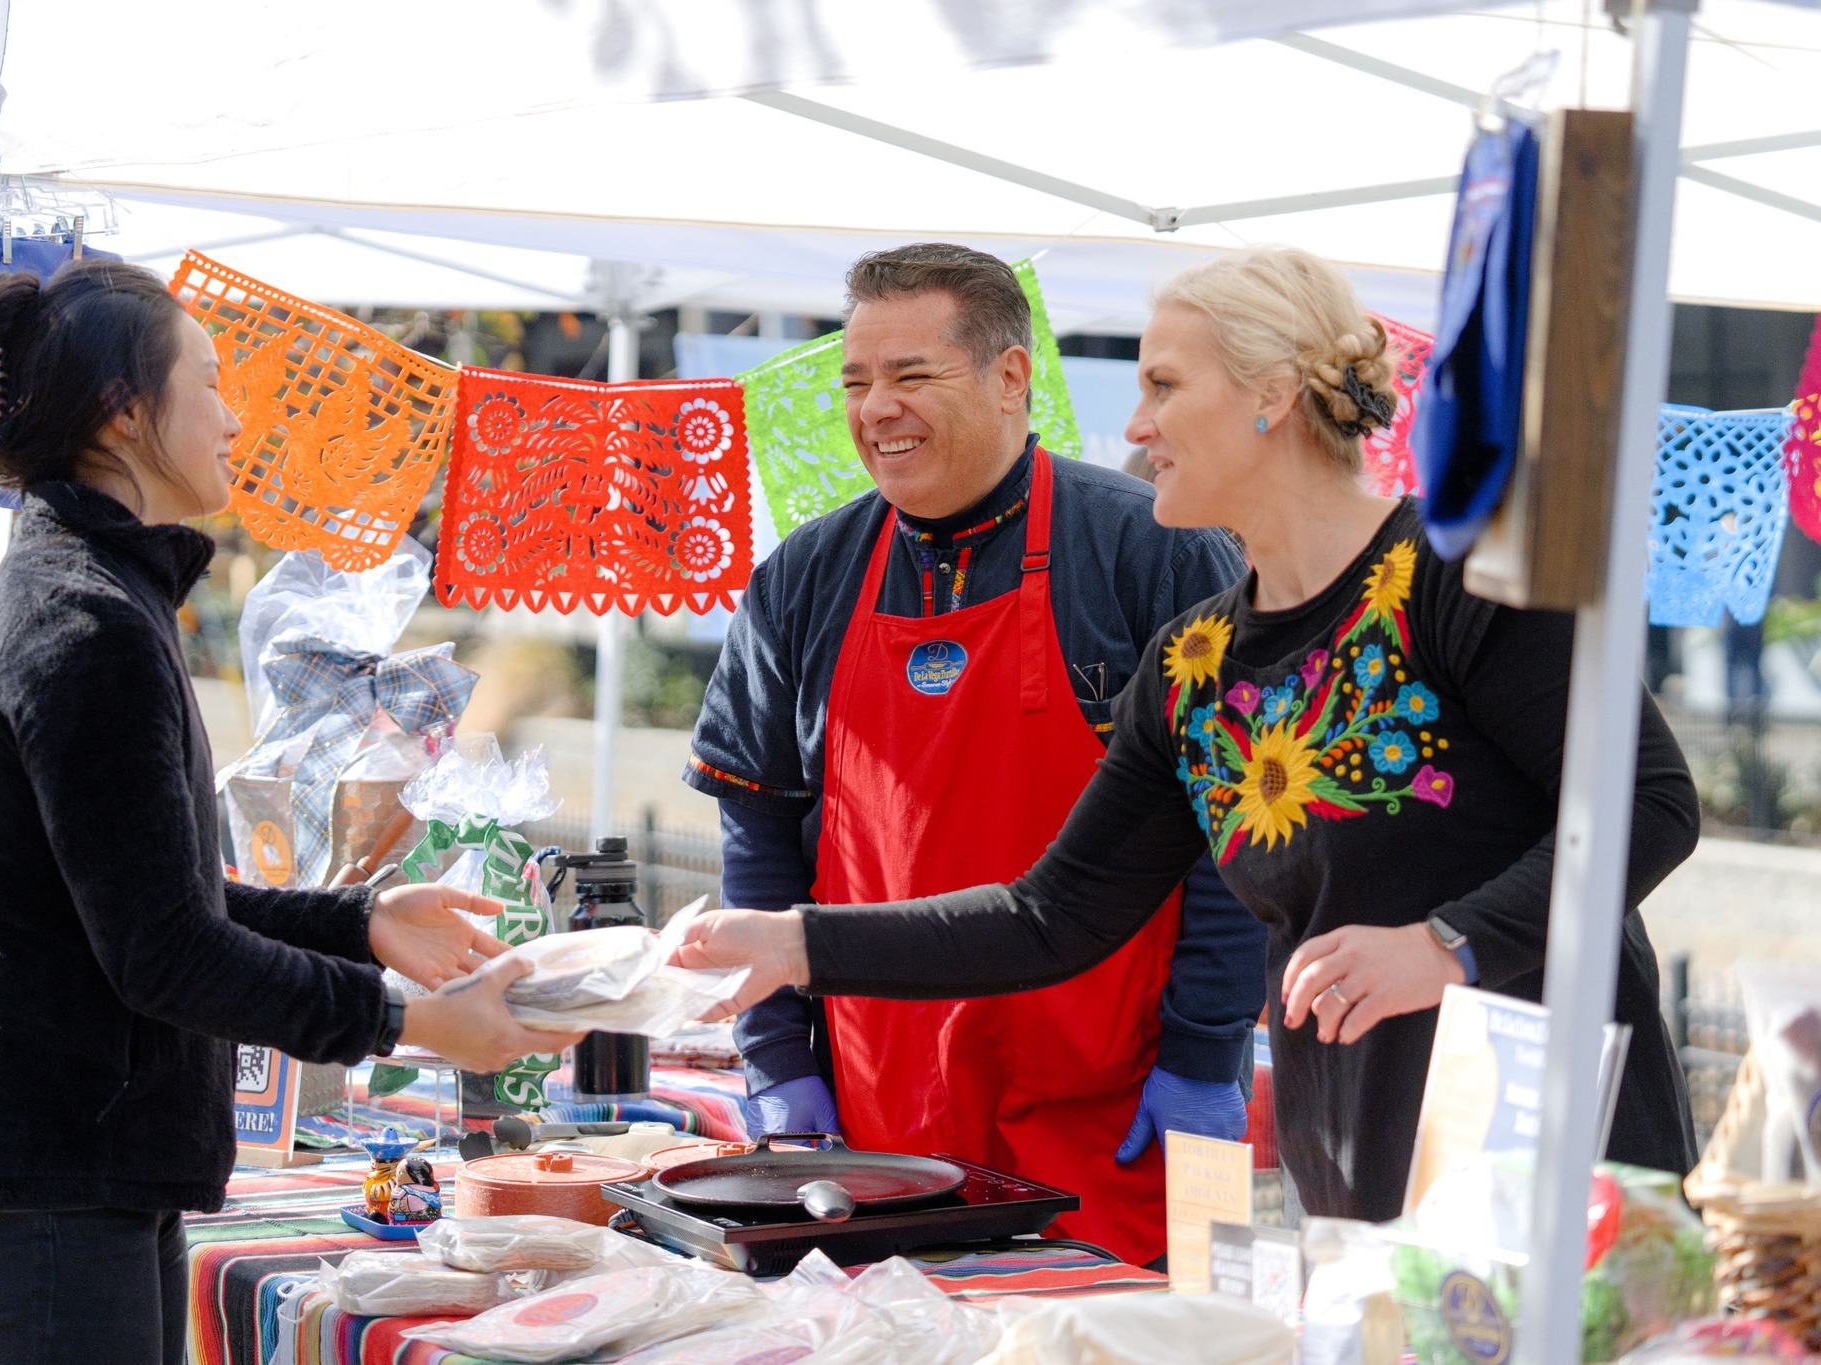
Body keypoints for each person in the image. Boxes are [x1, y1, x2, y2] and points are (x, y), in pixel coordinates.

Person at [675, 246, 1700, 1225]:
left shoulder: (1459, 577)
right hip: (1357, 1162)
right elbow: (1051, 916)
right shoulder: (1194, 661)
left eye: (1163, 387)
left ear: (1271, 396)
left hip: (1556, 1149)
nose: (1136, 425)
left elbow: (1649, 804)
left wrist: (1446, 945)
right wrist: (794, 944)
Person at [0, 261, 576, 1365]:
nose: (234, 416)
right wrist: (411, 1020)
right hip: (40, 1178)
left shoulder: (98, 593)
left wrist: (362, 921)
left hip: (73, 1175)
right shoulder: (84, 620)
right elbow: (166, 952)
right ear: (123, 410)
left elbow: (152, 897)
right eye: (207, 381)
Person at [683, 243, 1267, 1264]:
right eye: (856, 383)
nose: (877, 409)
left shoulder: (1160, 551)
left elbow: (1234, 837)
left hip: (1130, 1106)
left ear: (1010, 377)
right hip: (878, 1123)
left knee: (1178, 1329)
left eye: (911, 375)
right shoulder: (800, 578)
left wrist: (1206, 1054)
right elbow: (759, 838)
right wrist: (777, 1060)